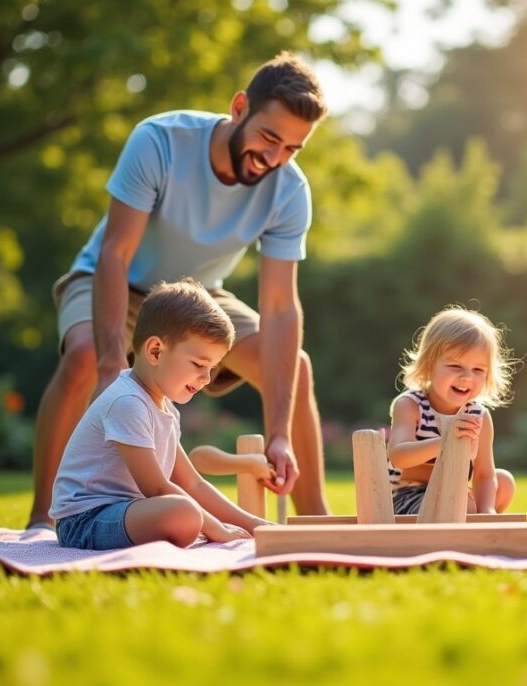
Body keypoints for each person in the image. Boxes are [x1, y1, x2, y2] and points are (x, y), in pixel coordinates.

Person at [28, 52, 332, 530]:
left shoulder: (289, 191)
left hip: (198, 295)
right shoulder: (160, 141)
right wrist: (111, 369)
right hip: (116, 278)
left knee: (295, 365)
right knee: (85, 355)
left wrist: (278, 433)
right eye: (269, 138)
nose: (274, 159)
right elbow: (115, 254)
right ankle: (42, 518)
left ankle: (317, 524)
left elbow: (279, 308)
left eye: (292, 149)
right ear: (239, 108)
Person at [51, 279, 273, 550]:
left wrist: (252, 523)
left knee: (185, 512)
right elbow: (156, 488)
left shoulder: (164, 408)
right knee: (184, 514)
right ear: (155, 351)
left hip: (126, 511)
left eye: (212, 368)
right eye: (199, 364)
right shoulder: (128, 402)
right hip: (84, 521)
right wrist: (217, 529)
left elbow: (192, 483)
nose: (206, 378)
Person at [386, 306, 519, 516]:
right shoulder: (411, 405)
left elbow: (484, 474)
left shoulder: (479, 416)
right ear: (429, 365)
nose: (467, 377)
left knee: (503, 482)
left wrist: (487, 511)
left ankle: (478, 521)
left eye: (478, 370)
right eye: (456, 366)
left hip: (453, 492)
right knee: (463, 505)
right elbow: (399, 456)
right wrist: (447, 441)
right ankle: (466, 517)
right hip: (408, 497)